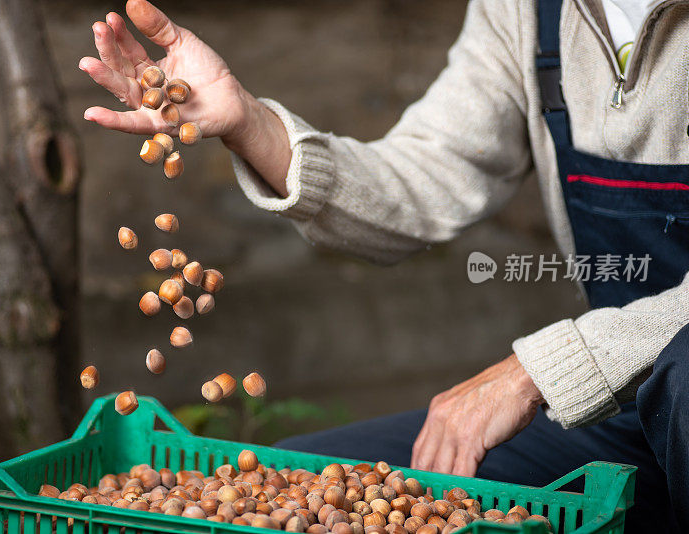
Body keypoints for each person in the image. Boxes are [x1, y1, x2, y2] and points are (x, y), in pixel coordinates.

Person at [79, 0, 689, 529]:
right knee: (293, 481)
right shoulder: (529, 11)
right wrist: (249, 123)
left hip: (659, 388)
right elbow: (424, 180)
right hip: (617, 406)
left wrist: (536, 372)